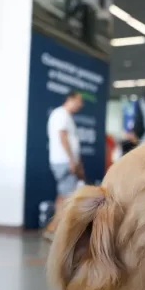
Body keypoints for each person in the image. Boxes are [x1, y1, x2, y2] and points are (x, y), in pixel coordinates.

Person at [45, 91, 84, 240]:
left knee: (63, 196)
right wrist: (71, 160)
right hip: (63, 161)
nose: (81, 105)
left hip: (66, 161)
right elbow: (62, 137)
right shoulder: (61, 114)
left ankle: (54, 229)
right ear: (70, 99)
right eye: (79, 101)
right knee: (65, 197)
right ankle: (53, 229)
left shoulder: (66, 116)